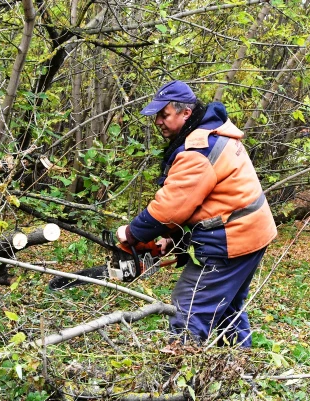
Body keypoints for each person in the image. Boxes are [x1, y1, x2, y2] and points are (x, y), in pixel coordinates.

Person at [116, 80, 277, 347]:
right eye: (157, 115)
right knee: (227, 307)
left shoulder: (199, 150)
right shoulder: (212, 133)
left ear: (186, 113)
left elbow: (171, 206)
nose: (158, 121)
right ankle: (239, 373)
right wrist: (171, 237)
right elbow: (201, 201)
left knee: (189, 304)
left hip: (232, 237)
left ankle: (177, 373)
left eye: (164, 114)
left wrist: (133, 233)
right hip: (251, 231)